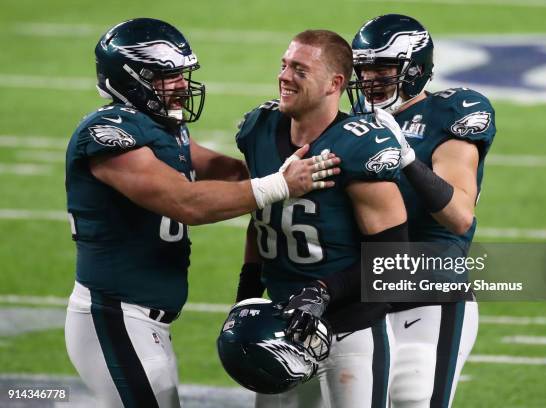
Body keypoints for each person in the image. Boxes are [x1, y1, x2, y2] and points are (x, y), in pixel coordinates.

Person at [63, 18, 340, 408]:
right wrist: (281, 184)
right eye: (167, 76)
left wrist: (303, 170)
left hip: (144, 319)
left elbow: (233, 172)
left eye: (182, 74)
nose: (180, 85)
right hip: (113, 314)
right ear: (130, 79)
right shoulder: (109, 134)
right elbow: (185, 203)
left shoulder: (160, 129)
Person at [233, 30, 411, 408]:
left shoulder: (357, 145)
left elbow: (394, 261)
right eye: (283, 66)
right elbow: (263, 219)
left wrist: (324, 290)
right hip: (280, 327)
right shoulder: (259, 128)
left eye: (299, 70)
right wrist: (247, 294)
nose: (284, 76)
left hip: (349, 328)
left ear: (334, 83)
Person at [348, 14, 497, 408]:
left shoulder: (450, 115)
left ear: (414, 69)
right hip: (359, 287)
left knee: (413, 396)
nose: (369, 80)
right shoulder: (353, 121)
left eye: (382, 68)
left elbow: (460, 215)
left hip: (430, 288)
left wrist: (409, 160)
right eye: (362, 69)